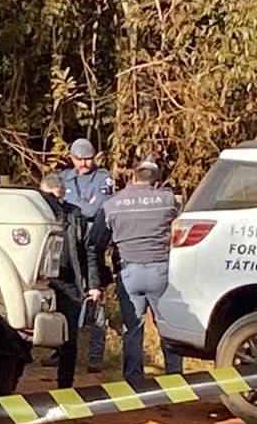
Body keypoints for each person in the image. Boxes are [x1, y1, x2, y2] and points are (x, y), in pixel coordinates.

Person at [86, 159, 182, 386]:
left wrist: (101, 275)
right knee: (168, 327)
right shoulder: (169, 200)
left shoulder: (113, 203)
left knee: (132, 329)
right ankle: (176, 379)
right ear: (156, 182)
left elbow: (95, 243)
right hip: (162, 272)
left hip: (129, 273)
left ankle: (134, 381)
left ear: (132, 178)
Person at [60, 138, 115, 373]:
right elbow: (61, 205)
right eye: (79, 159)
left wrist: (74, 204)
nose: (84, 163)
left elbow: (96, 209)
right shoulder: (64, 177)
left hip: (94, 247)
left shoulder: (103, 178)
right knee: (64, 299)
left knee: (96, 301)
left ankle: (95, 356)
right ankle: (60, 350)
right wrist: (83, 204)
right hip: (70, 246)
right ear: (72, 158)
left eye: (88, 158)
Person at [38, 173, 87, 388]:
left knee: (70, 339)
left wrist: (91, 283)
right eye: (47, 197)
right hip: (38, 282)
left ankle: (65, 386)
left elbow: (86, 252)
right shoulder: (31, 214)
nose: (53, 203)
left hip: (67, 283)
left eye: (57, 197)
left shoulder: (74, 215)